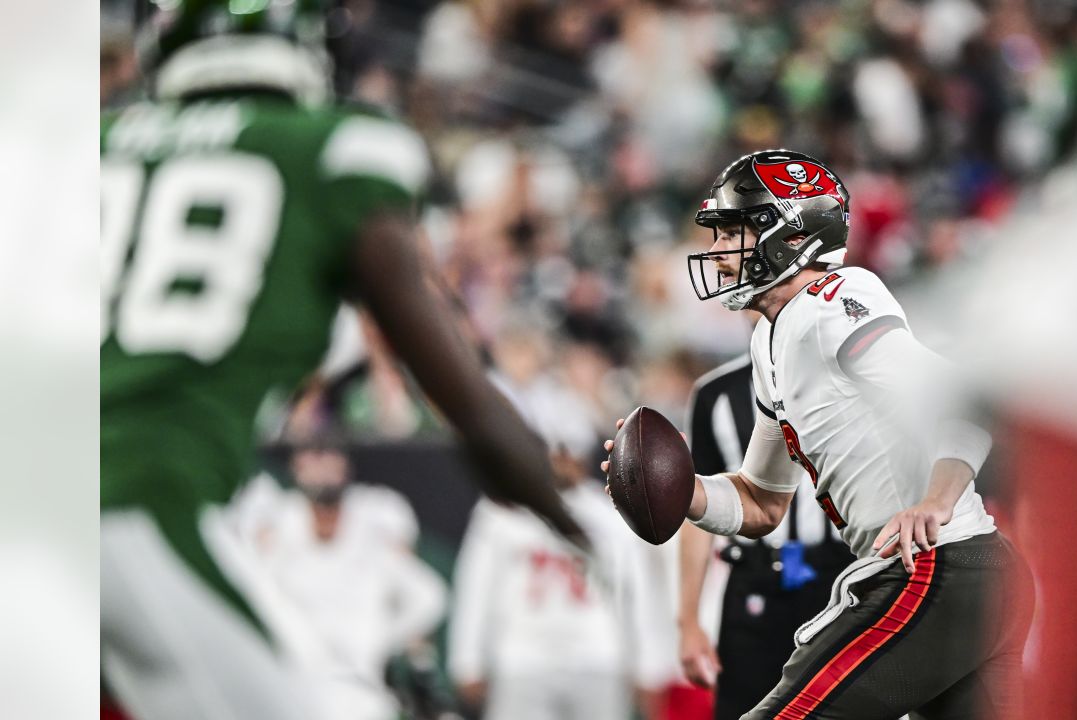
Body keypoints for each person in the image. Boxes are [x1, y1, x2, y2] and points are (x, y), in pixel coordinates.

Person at [100, 3, 585, 718]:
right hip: (137, 498)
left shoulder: (90, 144)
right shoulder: (335, 151)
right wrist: (581, 531)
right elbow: (476, 412)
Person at [606, 150, 1033, 719]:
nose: (716, 252)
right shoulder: (771, 338)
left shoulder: (834, 305)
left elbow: (961, 400)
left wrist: (935, 501)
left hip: (935, 567)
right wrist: (679, 490)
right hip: (962, 578)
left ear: (789, 233)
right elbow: (761, 501)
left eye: (732, 231)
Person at [677, 353, 852, 720]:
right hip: (755, 578)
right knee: (747, 709)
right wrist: (689, 621)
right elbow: (695, 507)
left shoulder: (849, 375)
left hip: (839, 578)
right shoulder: (716, 394)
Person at [448, 439, 666, 720]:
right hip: (522, 659)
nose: (562, 462)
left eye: (568, 452)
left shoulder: (609, 512)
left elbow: (636, 594)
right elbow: (476, 587)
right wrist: (467, 661)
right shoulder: (503, 511)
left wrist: (648, 666)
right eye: (555, 453)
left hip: (597, 657)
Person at [261, 441, 449, 720]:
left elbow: (429, 596)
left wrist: (381, 637)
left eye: (329, 459)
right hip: (297, 679)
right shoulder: (278, 520)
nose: (322, 472)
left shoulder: (376, 517)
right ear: (295, 469)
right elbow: (263, 592)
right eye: (313, 461)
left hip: (362, 684)